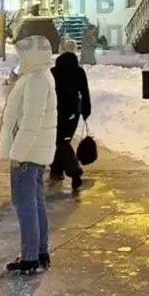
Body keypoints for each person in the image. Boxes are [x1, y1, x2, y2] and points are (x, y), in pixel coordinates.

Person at [0, 26, 57, 275]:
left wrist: (18, 154)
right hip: (35, 151)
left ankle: (30, 257)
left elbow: (31, 120)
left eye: (23, 56)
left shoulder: (35, 80)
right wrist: (12, 84)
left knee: (25, 203)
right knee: (35, 202)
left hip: (28, 152)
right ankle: (39, 252)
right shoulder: (37, 76)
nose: (19, 60)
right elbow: (18, 105)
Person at [49, 38, 92, 195]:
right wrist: (86, 111)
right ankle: (56, 170)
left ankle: (74, 171)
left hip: (57, 112)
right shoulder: (79, 71)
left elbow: (49, 94)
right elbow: (84, 92)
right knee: (63, 141)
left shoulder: (54, 71)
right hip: (73, 113)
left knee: (60, 141)